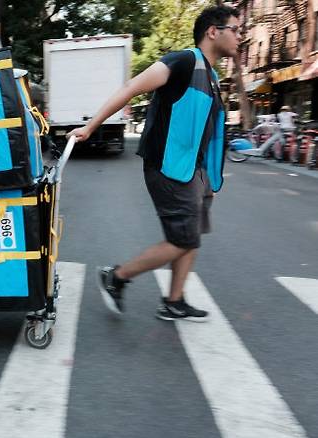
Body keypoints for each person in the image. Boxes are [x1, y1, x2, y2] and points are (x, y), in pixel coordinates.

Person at [67, 5, 241, 322]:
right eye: (236, 30)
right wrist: (91, 126)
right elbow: (131, 88)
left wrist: (208, 179)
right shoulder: (183, 61)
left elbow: (208, 131)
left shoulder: (212, 75)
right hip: (169, 166)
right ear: (213, 31)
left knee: (193, 235)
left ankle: (174, 301)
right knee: (183, 239)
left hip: (195, 170)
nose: (240, 37)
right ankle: (116, 276)